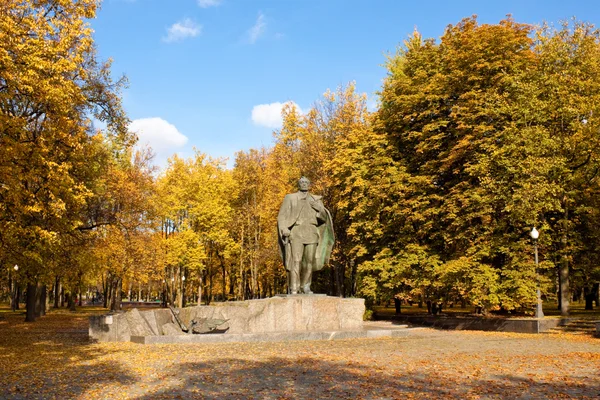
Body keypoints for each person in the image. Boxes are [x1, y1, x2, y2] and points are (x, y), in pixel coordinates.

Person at [277, 176, 334, 294]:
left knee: (309, 261)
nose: (303, 184)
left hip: (311, 232)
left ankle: (306, 286)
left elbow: (323, 219)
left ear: (309, 185)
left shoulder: (316, 200)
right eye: (301, 182)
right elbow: (282, 216)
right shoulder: (290, 198)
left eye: (306, 182)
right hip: (296, 232)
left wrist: (320, 210)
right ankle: (294, 287)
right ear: (298, 184)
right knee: (296, 261)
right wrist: (284, 229)